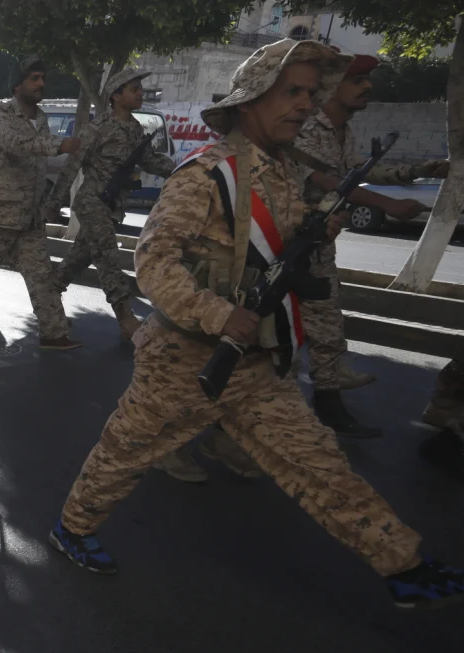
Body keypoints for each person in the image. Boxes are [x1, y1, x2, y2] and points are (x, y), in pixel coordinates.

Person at [47, 39, 464, 611]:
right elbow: (154, 261)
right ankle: (72, 529)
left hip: (256, 364)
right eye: (291, 91)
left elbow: (269, 249)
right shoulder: (207, 173)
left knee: (318, 463)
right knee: (124, 453)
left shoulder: (282, 171)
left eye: (310, 92)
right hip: (182, 361)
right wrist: (220, 314)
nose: (305, 104)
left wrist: (319, 227)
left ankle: (406, 566)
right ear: (250, 101)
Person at [294, 53, 449, 439]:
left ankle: (328, 402)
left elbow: (356, 169)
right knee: (266, 334)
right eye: (357, 79)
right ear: (332, 86)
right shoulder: (306, 125)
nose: (367, 87)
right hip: (283, 240)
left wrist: (414, 171)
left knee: (326, 321)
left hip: (317, 241)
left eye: (367, 79)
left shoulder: (341, 130)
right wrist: (388, 205)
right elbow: (328, 180)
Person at [0, 56, 81, 350]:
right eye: (34, 78)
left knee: (42, 276)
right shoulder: (0, 115)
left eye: (42, 78)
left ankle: (53, 333)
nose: (41, 83)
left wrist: (49, 202)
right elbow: (18, 145)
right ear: (17, 85)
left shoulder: (42, 118)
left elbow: (39, 162)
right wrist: (58, 145)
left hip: (28, 218)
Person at [47, 67, 177, 342]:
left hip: (111, 205)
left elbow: (150, 161)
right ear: (116, 96)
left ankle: (47, 300)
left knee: (78, 258)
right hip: (92, 202)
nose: (140, 94)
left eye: (141, 89)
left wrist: (181, 169)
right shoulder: (97, 128)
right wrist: (54, 203)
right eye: (134, 90)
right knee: (107, 255)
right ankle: (125, 318)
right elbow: (72, 165)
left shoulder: (136, 129)